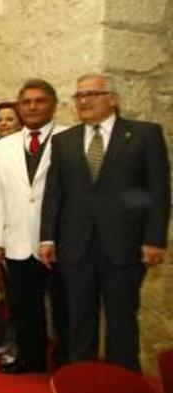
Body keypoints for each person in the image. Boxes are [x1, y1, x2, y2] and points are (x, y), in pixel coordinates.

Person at [40, 74, 170, 372]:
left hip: (124, 247)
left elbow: (158, 191)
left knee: (122, 321)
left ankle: (124, 390)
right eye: (79, 96)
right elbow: (54, 193)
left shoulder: (144, 135)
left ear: (113, 98)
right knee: (79, 321)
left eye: (92, 94)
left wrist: (154, 239)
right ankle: (86, 387)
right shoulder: (64, 141)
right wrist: (48, 238)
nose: (84, 101)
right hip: (76, 247)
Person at [0, 79, 69, 374]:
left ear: (53, 105)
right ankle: (30, 358)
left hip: (59, 240)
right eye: (27, 102)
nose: (33, 107)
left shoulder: (69, 138)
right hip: (17, 241)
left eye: (40, 101)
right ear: (19, 107)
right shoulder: (2, 147)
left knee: (64, 307)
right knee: (25, 306)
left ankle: (65, 363)